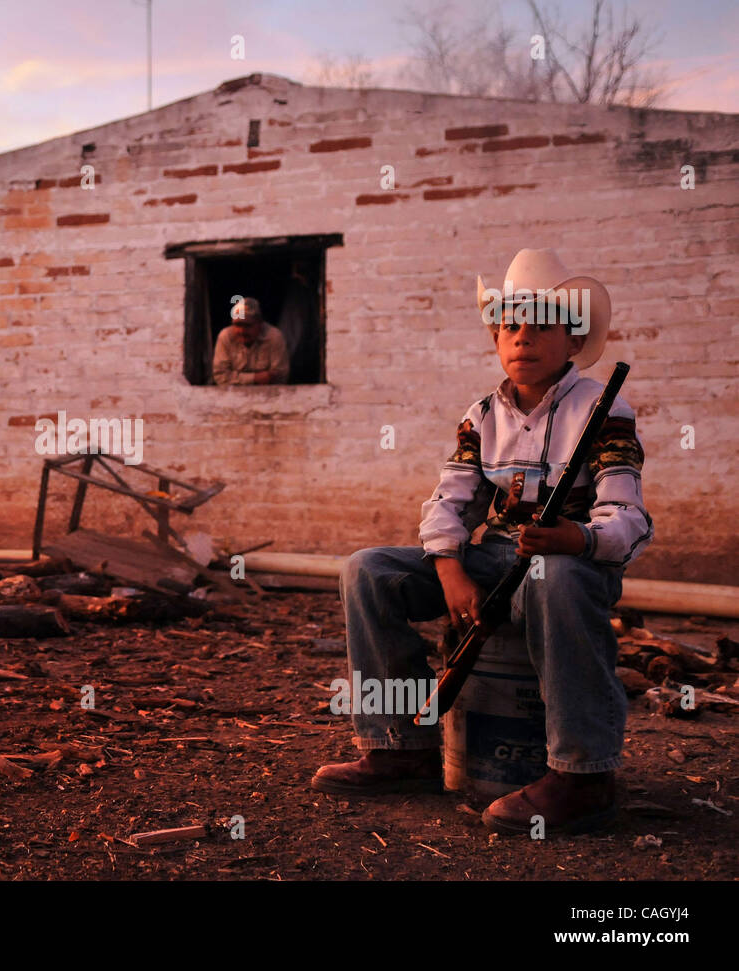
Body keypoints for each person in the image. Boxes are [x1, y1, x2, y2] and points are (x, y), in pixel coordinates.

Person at [310, 248, 653, 835]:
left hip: (566, 564)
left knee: (559, 575)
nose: (523, 338)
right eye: (510, 326)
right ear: (496, 339)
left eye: (542, 325)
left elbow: (627, 514)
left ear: (573, 342)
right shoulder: (480, 415)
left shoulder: (602, 408)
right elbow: (449, 501)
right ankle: (400, 747)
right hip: (489, 558)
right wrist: (448, 566)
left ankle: (582, 776)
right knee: (367, 570)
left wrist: (576, 537)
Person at [211, 296, 289, 385]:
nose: (242, 331)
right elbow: (220, 376)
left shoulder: (274, 337)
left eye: (247, 326)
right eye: (238, 325)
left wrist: (237, 378)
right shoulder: (225, 337)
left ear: (260, 323)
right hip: (232, 394)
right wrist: (255, 378)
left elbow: (280, 376)